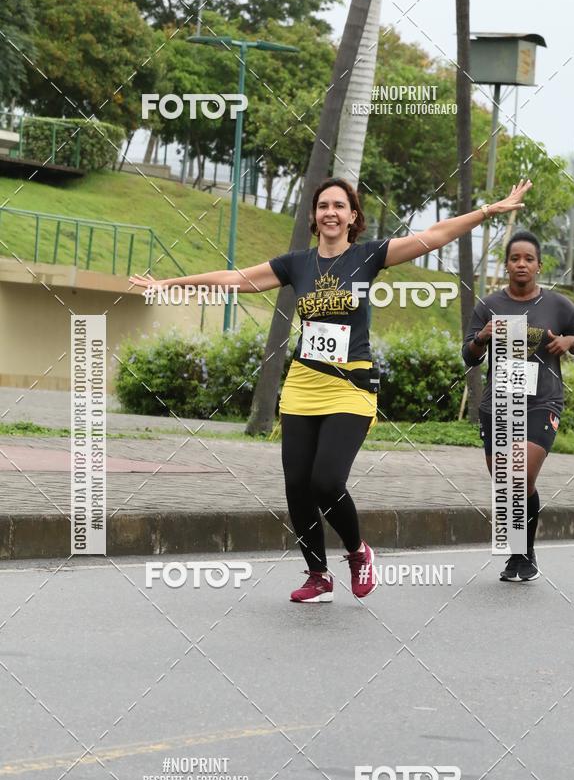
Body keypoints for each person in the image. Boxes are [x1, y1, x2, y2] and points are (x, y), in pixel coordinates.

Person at [130, 177, 532, 603]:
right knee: (297, 485)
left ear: (352, 216)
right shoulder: (297, 264)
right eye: (323, 206)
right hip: (303, 383)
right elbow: (239, 279)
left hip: (351, 386)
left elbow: (434, 236)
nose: (331, 212)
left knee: (326, 480)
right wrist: (171, 284)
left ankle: (358, 552)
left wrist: (488, 210)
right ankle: (318, 575)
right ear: (313, 216)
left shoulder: (368, 256)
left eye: (340, 206)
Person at [463, 230, 574, 582]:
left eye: (528, 259)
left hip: (541, 402)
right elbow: (469, 356)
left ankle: (526, 553)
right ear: (506, 264)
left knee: (518, 476)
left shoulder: (558, 304)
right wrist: (481, 338)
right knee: (507, 484)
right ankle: (518, 555)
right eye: (515, 258)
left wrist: (567, 341)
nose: (521, 264)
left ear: (539, 265)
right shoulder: (488, 305)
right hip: (498, 404)